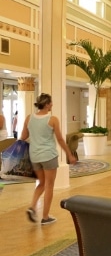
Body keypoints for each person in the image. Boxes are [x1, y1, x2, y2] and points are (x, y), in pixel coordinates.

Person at [20, 93, 77, 225]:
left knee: (41, 183)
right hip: (48, 156)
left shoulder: (29, 118)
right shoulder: (52, 119)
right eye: (51, 103)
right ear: (46, 104)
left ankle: (32, 207)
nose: (52, 105)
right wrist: (69, 154)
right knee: (49, 186)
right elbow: (60, 139)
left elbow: (23, 136)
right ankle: (45, 217)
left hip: (34, 156)